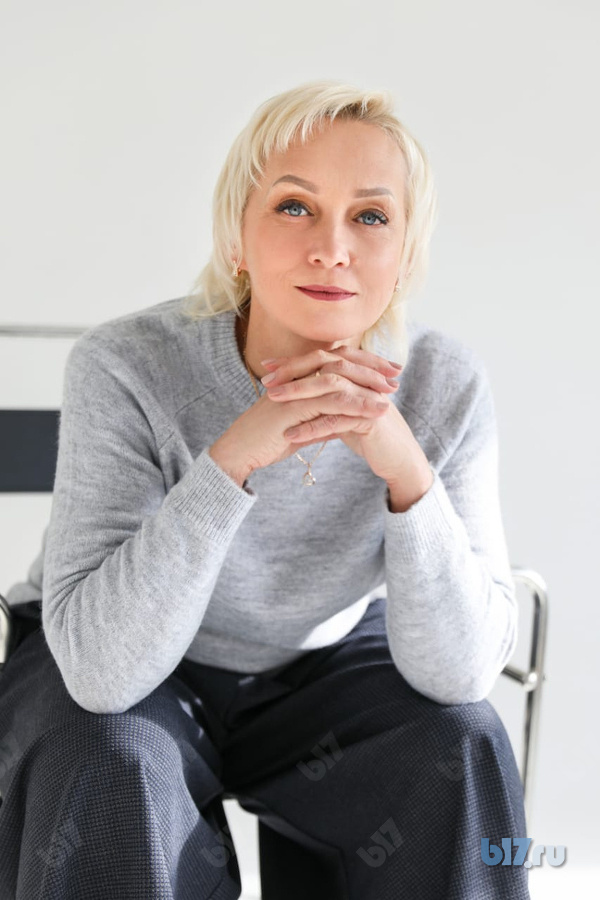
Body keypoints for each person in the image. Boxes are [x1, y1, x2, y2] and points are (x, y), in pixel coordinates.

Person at [0, 80, 530, 899]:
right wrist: (231, 461)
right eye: (293, 207)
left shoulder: (444, 384)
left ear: (405, 254)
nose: (332, 248)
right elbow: (103, 673)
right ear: (236, 238)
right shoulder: (125, 365)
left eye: (371, 216)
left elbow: (461, 676)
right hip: (128, 655)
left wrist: (406, 472)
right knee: (108, 757)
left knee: (460, 742)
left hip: (325, 663)